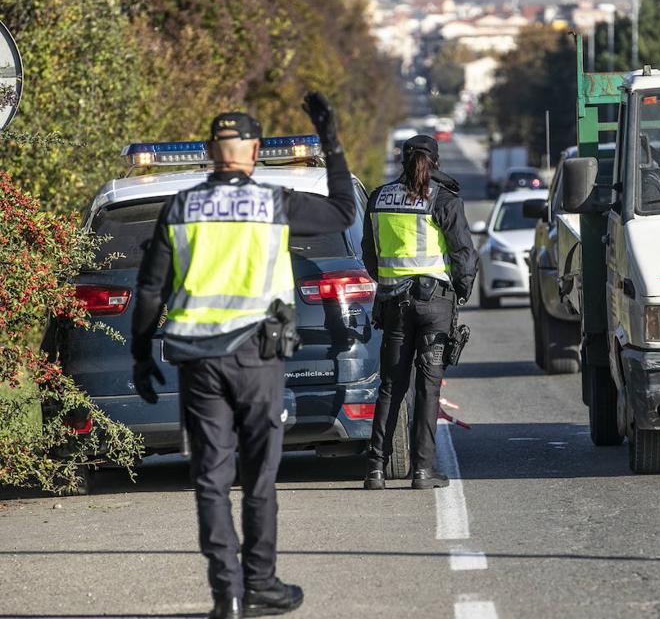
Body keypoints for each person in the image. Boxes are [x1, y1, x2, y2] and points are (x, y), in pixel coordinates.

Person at [130, 94, 355, 619]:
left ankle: (225, 596)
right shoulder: (273, 202)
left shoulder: (180, 206)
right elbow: (343, 210)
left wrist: (142, 355)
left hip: (198, 362)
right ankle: (261, 583)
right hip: (257, 358)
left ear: (211, 151)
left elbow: (149, 291)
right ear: (254, 150)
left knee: (210, 477)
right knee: (259, 476)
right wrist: (331, 139)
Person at [361, 134, 478, 491]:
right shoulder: (444, 199)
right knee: (428, 388)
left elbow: (370, 253)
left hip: (394, 303)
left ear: (402, 161)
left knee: (391, 387)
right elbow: (464, 255)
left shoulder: (379, 198)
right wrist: (460, 291)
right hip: (434, 304)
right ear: (436, 161)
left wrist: (387, 282)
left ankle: (376, 470)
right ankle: (423, 471)